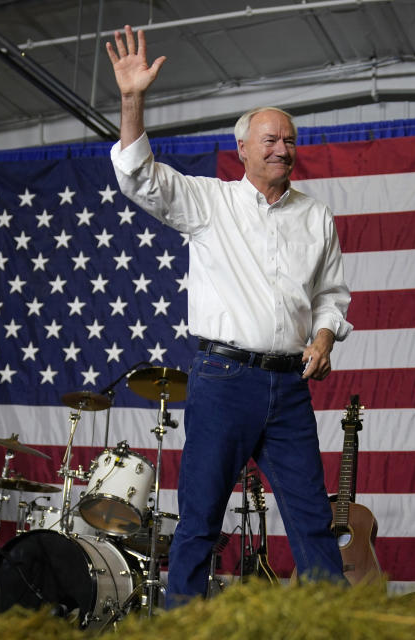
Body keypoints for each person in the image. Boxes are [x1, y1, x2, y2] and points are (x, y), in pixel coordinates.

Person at [107, 26, 353, 604]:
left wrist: (323, 336)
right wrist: (132, 100)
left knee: (313, 521)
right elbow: (139, 176)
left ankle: (335, 623)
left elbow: (331, 295)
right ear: (241, 149)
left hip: (289, 384)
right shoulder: (209, 202)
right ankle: (185, 623)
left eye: (289, 141)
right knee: (199, 520)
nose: (281, 149)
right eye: (268, 140)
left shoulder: (317, 217)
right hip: (223, 380)